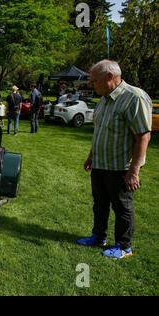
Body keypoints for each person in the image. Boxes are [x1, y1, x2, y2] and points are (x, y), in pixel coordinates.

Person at [77, 60, 152, 259]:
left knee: (122, 207)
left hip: (120, 167)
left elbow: (143, 136)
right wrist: (91, 156)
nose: (92, 84)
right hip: (101, 164)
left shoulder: (134, 97)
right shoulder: (104, 99)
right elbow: (100, 131)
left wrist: (134, 170)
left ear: (110, 77)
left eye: (94, 81)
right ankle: (98, 237)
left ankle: (123, 246)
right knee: (99, 204)